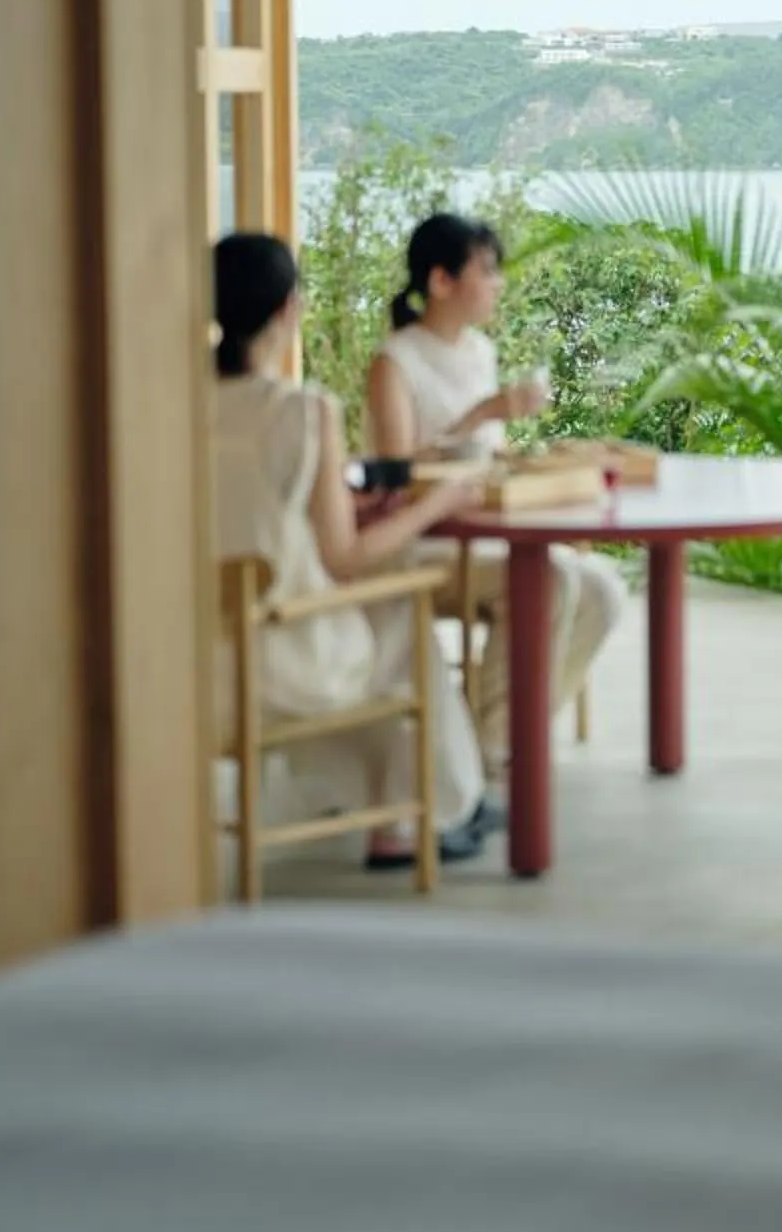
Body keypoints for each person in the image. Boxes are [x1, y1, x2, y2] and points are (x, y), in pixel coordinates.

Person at [211, 232, 487, 872]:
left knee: (378, 619)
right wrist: (432, 507)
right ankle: (425, 815)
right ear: (289, 309)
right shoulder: (303, 411)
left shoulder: (178, 406)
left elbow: (252, 514)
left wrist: (345, 506)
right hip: (277, 665)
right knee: (397, 609)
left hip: (192, 661)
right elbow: (345, 560)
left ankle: (386, 806)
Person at [364, 213, 625, 775]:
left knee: (604, 587)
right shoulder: (395, 362)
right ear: (441, 282)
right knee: (549, 581)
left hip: (487, 531)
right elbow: (395, 473)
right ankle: (496, 749)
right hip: (428, 538)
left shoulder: (478, 352)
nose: (498, 283)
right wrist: (483, 413)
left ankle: (486, 735)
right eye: (487, 271)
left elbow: (486, 457)